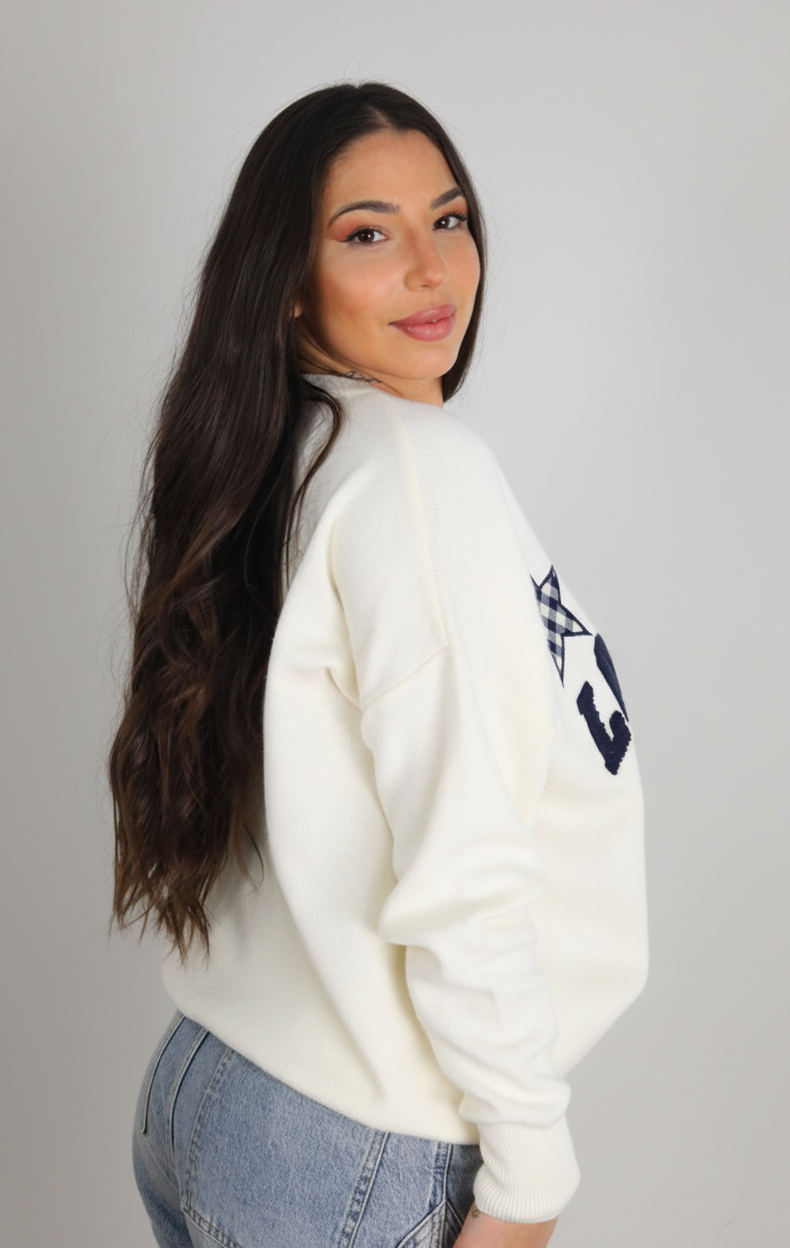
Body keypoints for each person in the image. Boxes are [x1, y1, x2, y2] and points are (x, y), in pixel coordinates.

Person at [110, 82, 648, 1248]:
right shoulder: (417, 475)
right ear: (289, 280)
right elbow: (463, 862)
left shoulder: (291, 450)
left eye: (447, 219)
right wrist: (528, 1178)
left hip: (213, 1089)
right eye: (367, 234)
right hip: (354, 1146)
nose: (430, 267)